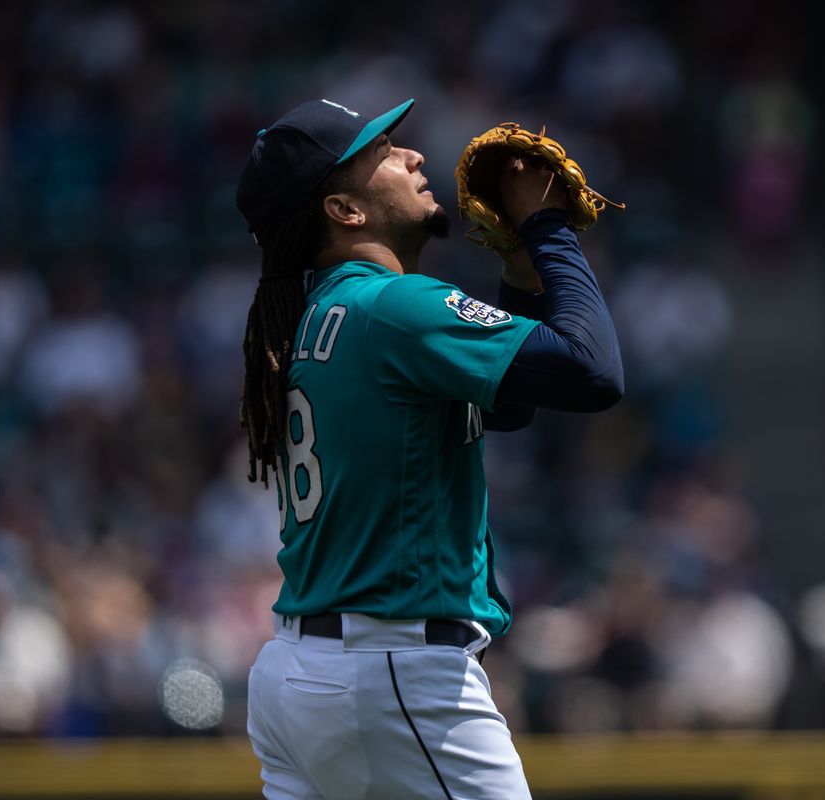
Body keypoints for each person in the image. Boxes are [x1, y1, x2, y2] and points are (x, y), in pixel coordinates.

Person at [234, 97, 623, 800]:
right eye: (380, 151)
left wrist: (520, 274)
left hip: (302, 671)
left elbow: (504, 408)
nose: (413, 155)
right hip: (390, 669)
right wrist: (546, 226)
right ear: (345, 211)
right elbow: (592, 371)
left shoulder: (316, 316)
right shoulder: (394, 307)